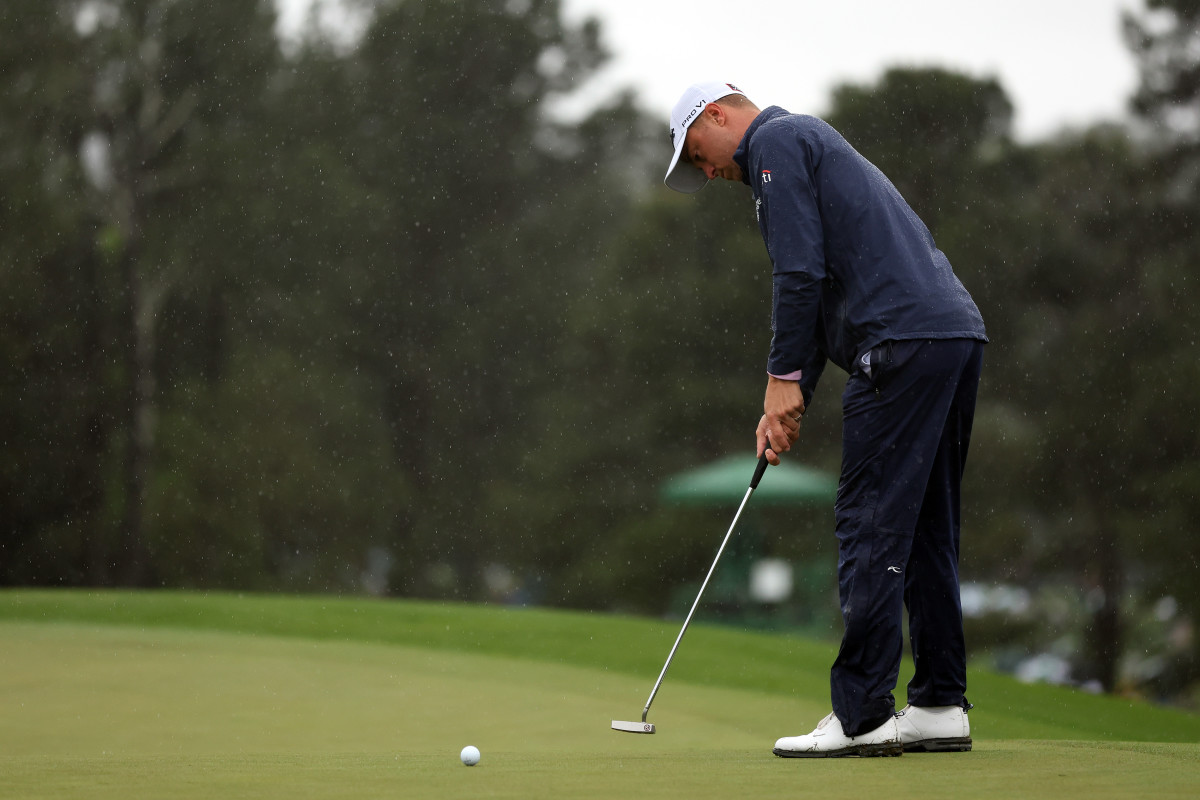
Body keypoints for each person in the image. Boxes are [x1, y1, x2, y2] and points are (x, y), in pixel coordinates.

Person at [664, 82, 987, 758]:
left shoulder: (775, 143)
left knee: (869, 524)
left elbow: (799, 274)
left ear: (716, 114)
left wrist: (781, 379)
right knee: (927, 527)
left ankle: (863, 714)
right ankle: (938, 704)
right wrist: (791, 399)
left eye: (698, 153)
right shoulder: (804, 141)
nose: (708, 172)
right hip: (949, 336)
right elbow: (818, 294)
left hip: (898, 344)